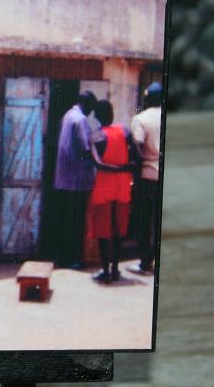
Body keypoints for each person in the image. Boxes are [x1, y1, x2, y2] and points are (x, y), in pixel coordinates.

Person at [88, 100, 135, 283]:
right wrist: (124, 169)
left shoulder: (96, 136)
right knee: (118, 229)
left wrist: (117, 168)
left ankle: (105, 271)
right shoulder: (125, 132)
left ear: (98, 117)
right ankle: (115, 269)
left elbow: (98, 163)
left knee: (103, 230)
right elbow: (135, 158)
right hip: (123, 185)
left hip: (104, 186)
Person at [52, 90, 97, 268]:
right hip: (77, 180)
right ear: (86, 104)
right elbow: (86, 149)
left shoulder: (67, 116)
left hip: (63, 179)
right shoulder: (80, 120)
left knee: (64, 220)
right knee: (76, 222)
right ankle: (74, 259)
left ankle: (62, 257)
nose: (91, 112)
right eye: (91, 108)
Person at [129, 82, 163, 275]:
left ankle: (145, 263)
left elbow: (138, 149)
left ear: (148, 98)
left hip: (148, 176)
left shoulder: (140, 119)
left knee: (145, 221)